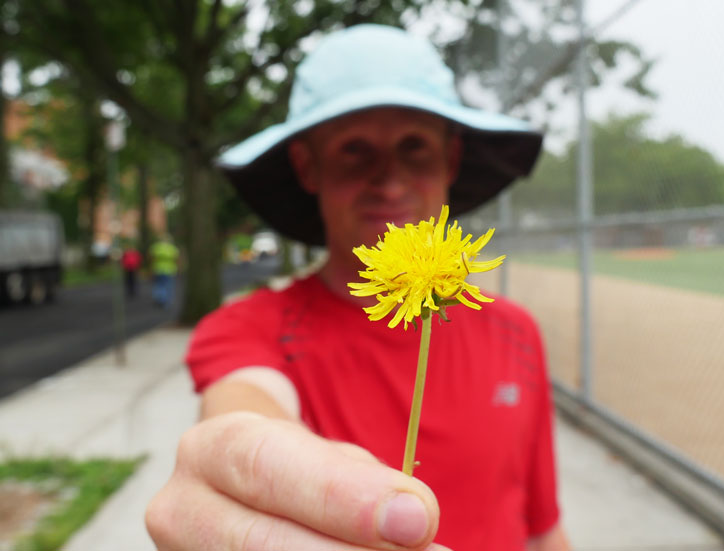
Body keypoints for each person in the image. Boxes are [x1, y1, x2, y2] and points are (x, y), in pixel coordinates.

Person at [146, 24, 570, 551]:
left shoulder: (517, 332)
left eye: (414, 147)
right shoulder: (247, 329)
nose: (389, 182)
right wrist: (240, 463)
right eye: (354, 151)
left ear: (451, 160)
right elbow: (244, 409)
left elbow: (544, 530)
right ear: (308, 166)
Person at [149, 234, 179, 308]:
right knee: (167, 285)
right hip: (169, 270)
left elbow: (151, 257)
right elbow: (177, 259)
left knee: (159, 285)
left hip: (158, 269)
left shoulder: (156, 247)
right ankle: (165, 301)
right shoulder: (172, 248)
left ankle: (159, 299)